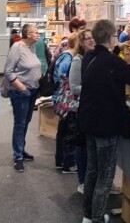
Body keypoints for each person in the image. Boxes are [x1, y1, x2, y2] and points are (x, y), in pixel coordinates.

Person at [79, 20, 130, 223]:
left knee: (92, 170)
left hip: (89, 121)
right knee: (105, 175)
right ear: (110, 37)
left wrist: (118, 50)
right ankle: (98, 217)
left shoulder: (89, 57)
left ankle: (88, 215)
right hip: (106, 124)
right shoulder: (112, 62)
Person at [3, 23, 42, 173]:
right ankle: (18, 156)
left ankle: (21, 150)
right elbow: (8, 71)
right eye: (35, 32)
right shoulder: (17, 48)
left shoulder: (32, 47)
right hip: (21, 92)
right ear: (27, 34)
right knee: (20, 123)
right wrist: (21, 87)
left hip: (32, 90)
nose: (38, 34)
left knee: (25, 122)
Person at [68, 29, 95, 194]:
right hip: (81, 107)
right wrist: (94, 89)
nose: (91, 41)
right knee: (83, 145)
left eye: (93, 38)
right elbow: (74, 87)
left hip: (93, 107)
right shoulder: (77, 60)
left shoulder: (95, 58)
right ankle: (82, 181)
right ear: (81, 42)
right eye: (88, 39)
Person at [53, 32, 79, 175]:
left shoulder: (66, 56)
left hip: (63, 98)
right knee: (68, 130)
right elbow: (63, 76)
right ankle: (67, 163)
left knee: (63, 130)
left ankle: (60, 160)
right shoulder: (69, 58)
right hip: (67, 99)